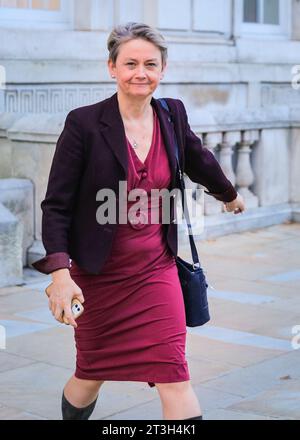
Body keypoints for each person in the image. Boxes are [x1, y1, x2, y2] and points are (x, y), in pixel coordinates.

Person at [32, 22, 245, 421]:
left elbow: (198, 157)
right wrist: (60, 275)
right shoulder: (84, 124)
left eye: (150, 64)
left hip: (156, 270)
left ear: (162, 69)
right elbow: (56, 205)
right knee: (89, 374)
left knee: (175, 376)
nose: (140, 73)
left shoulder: (171, 114)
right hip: (98, 275)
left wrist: (228, 194)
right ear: (112, 67)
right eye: (130, 63)